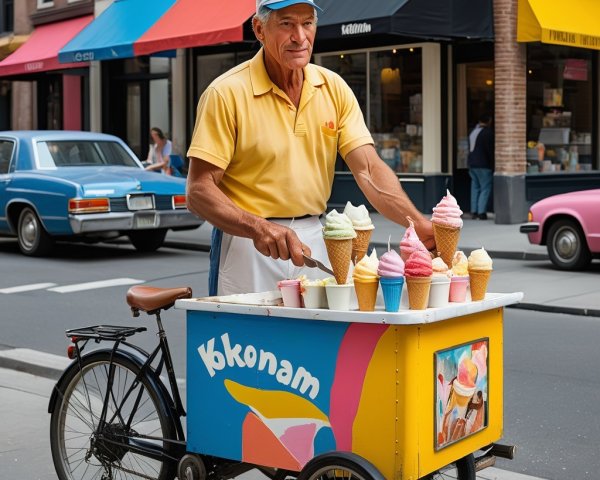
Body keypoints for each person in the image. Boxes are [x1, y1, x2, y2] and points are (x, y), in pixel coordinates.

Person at [186, 0, 434, 296]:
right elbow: (198, 191)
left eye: (308, 23)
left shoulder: (334, 87)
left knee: (323, 341)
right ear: (259, 29)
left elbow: (368, 169)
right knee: (249, 340)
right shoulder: (225, 93)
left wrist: (416, 222)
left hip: (316, 240)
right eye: (287, 23)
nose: (300, 37)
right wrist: (258, 227)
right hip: (248, 243)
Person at [467, 114, 495, 220]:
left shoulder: (472, 132)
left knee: (475, 187)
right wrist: (493, 164)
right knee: (485, 188)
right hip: (484, 165)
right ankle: (481, 212)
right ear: (489, 120)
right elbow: (490, 151)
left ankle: (474, 211)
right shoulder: (488, 133)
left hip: (472, 164)